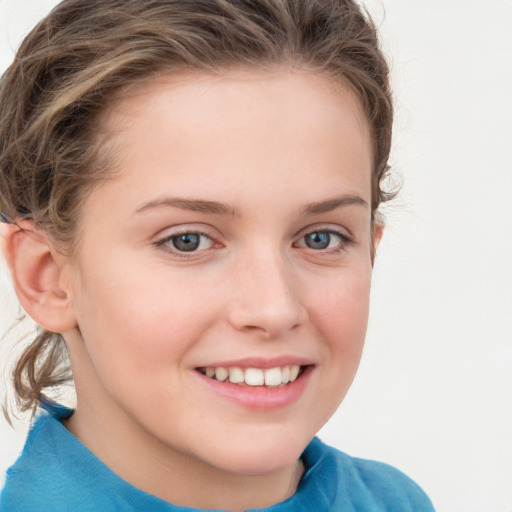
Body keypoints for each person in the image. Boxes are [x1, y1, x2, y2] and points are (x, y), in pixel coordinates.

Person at [0, 0, 435, 510]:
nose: (274, 309)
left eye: (320, 238)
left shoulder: (393, 502)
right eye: (188, 240)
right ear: (46, 277)